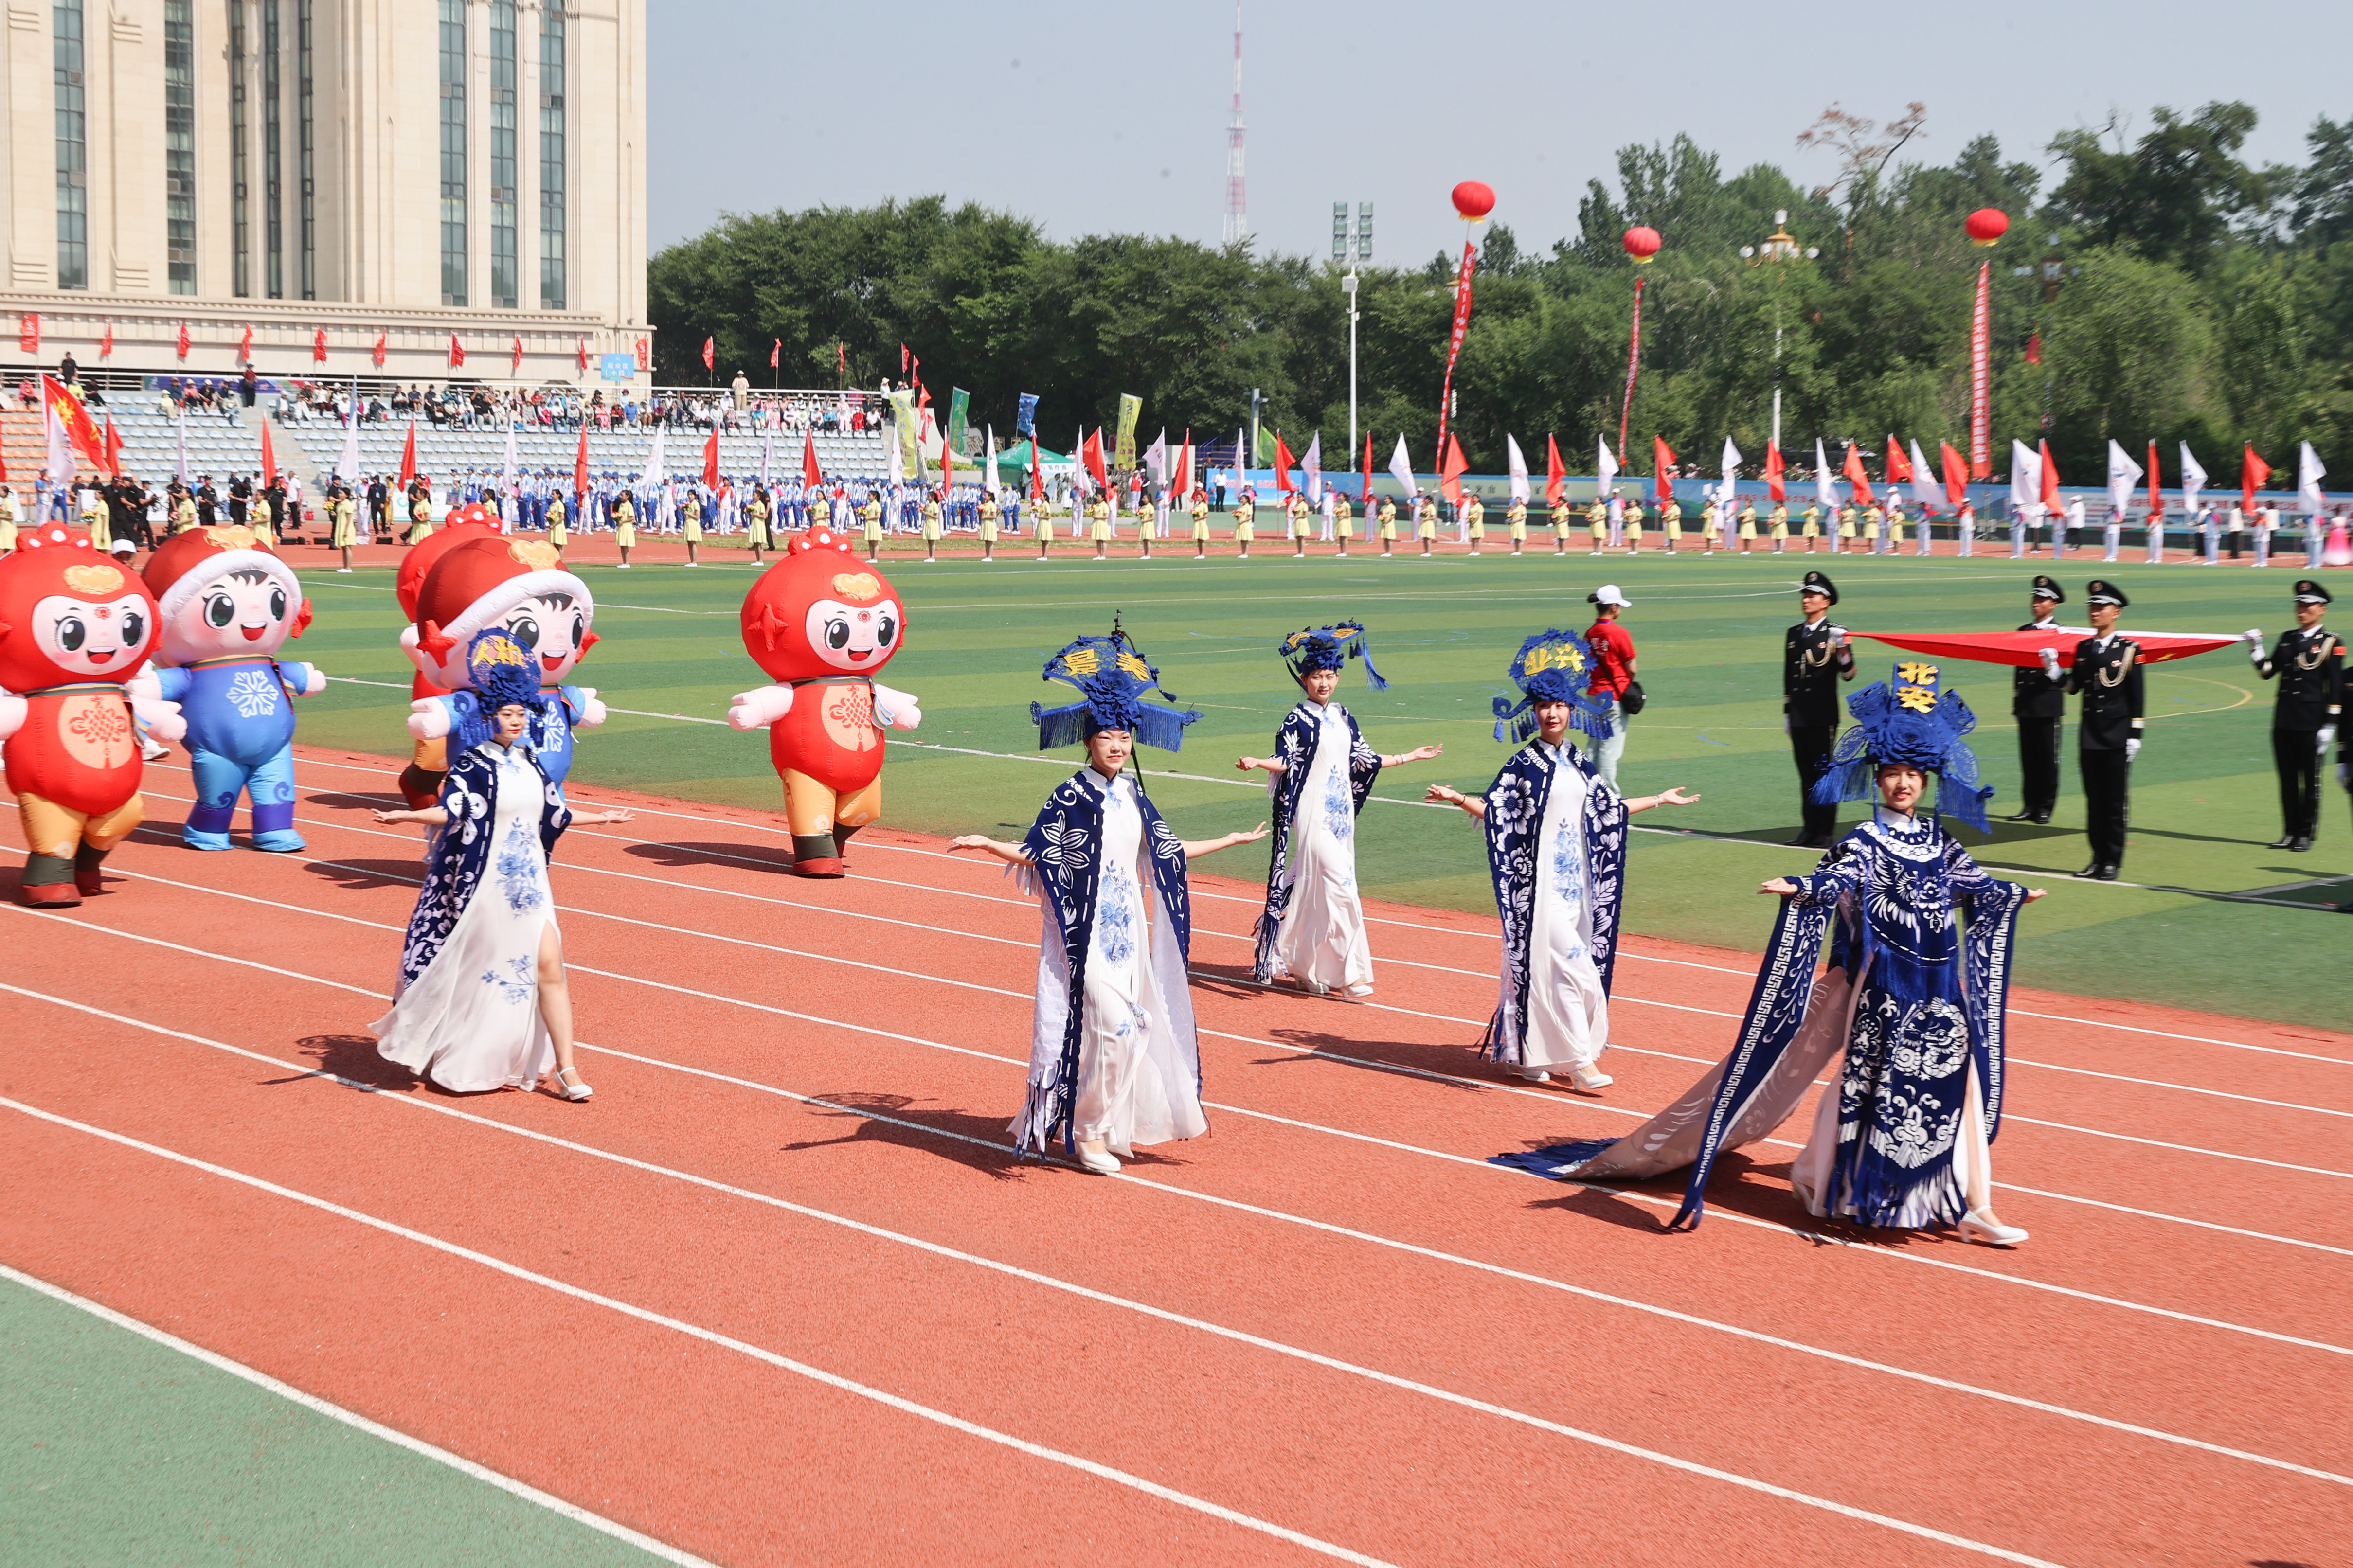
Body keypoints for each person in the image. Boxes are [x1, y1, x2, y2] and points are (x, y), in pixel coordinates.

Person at [1498, 662, 2041, 1247]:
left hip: (1941, 994)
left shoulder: (1939, 841)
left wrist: (2010, 896)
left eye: (1912, 774)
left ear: (1925, 780)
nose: (1902, 783)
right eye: (1892, 773)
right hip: (1882, 992)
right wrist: (1800, 887)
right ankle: (1824, 1182)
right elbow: (1834, 883)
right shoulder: (1862, 841)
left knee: (1958, 1089)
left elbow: (1973, 887)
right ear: (1876, 778)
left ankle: (1972, 1204)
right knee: (1863, 1087)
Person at [950, 629, 1265, 1173]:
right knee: (1115, 1026)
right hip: (1088, 934)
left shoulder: (1134, 793)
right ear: (1088, 741)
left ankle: (1109, 1125)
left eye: (1124, 736)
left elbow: (1167, 852)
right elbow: (1038, 852)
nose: (1117, 746)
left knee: (1138, 1025)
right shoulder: (1071, 794)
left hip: (1129, 935)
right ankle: (1088, 1132)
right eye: (1106, 737)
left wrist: (1231, 840)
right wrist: (986, 843)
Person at [1425, 630, 1698, 1089]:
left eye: (1559, 706)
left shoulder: (1576, 761)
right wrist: (1457, 798)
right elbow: (1497, 812)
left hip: (1576, 892)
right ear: (1533, 712)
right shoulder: (1522, 765)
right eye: (1543, 707)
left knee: (1563, 971)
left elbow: (1607, 811)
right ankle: (1579, 1063)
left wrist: (1659, 799)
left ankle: (1531, 1054)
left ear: (1572, 710)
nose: (1551, 714)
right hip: (1538, 894)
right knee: (1576, 970)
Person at [369, 633, 635, 1099]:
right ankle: (462, 1057)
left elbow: (555, 814)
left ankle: (566, 1068)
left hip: (532, 885)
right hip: (487, 886)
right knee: (485, 971)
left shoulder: (531, 762)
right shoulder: (473, 764)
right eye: (507, 715)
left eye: (521, 714)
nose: (515, 722)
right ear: (489, 716)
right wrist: (408, 814)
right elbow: (455, 810)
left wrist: (605, 817)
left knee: (549, 967)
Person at [1238, 622, 1441, 998]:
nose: (1324, 683)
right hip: (1312, 815)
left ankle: (1303, 966)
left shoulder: (1344, 716)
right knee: (1342, 890)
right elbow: (1286, 760)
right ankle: (1349, 977)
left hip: (1340, 817)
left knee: (1318, 894)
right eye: (1316, 676)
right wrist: (1257, 762)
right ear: (1304, 680)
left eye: (1330, 676)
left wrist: (1410, 756)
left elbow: (1363, 760)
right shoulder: (1296, 719)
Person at [2040, 579, 2142, 880]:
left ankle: (2112, 860)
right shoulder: (2084, 648)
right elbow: (2075, 687)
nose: (2095, 612)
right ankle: (2097, 858)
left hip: (2117, 737)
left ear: (2116, 613)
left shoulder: (2129, 650)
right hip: (2090, 737)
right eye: (2093, 607)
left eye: (2101, 607)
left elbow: (2137, 698)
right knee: (2094, 802)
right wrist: (2055, 672)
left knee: (2113, 802)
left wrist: (2135, 736)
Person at [2248, 580, 2342, 852]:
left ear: (2321, 609)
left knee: (2309, 782)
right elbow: (2268, 671)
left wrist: (2330, 725)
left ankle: (2305, 833)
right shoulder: (2289, 638)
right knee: (2287, 781)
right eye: (2299, 605)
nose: (2302, 610)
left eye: (2308, 605)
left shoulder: (2332, 642)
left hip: (2312, 722)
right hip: (2284, 720)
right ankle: (2289, 832)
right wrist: (2256, 648)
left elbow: (2335, 687)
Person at [1785, 569, 1855, 848]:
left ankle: (1825, 831)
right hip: (1800, 715)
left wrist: (1843, 648)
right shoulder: (1793, 634)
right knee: (1805, 775)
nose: (1806, 600)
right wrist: (1788, 713)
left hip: (1822, 715)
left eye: (1812, 595)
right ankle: (1808, 830)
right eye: (1805, 594)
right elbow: (1788, 678)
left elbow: (1848, 674)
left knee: (1824, 775)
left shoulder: (1836, 633)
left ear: (1826, 602)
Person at [2004, 575, 2068, 825]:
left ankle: (2045, 807)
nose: (2036, 603)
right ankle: (2029, 805)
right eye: (2035, 598)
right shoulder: (2023, 631)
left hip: (2048, 704)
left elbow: (2067, 668)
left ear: (2053, 605)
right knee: (2028, 760)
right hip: (2027, 705)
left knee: (2048, 760)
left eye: (2042, 600)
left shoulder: (2061, 633)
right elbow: (2019, 671)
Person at [1580, 585, 1637, 790]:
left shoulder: (1589, 633)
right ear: (1613, 608)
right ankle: (1608, 796)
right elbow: (1632, 668)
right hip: (1614, 695)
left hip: (1594, 694)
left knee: (1594, 745)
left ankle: (1586, 788)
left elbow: (1584, 663)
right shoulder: (1619, 633)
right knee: (1609, 749)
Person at [611, 489, 636, 568]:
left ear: (627, 497)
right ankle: (624, 562)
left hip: (626, 527)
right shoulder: (622, 505)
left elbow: (632, 518)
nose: (621, 497)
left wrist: (623, 521)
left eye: (623, 495)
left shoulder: (629, 505)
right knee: (622, 545)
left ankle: (627, 563)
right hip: (621, 527)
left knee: (626, 545)